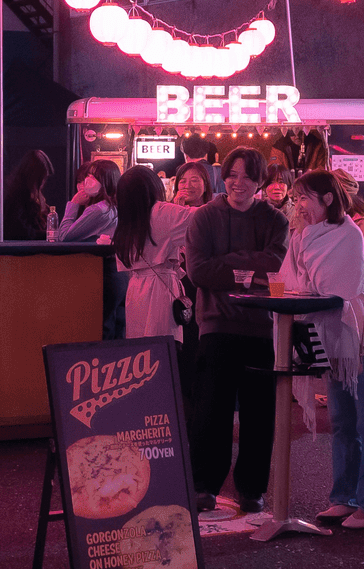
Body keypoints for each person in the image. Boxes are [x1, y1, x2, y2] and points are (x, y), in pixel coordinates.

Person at [278, 171, 364, 530]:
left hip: (362, 339)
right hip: (332, 337)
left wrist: (305, 288)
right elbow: (288, 281)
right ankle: (344, 497)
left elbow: (336, 287)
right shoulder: (301, 236)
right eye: (296, 199)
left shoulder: (349, 235)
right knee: (343, 421)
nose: (298, 206)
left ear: (327, 199)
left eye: (304, 198)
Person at [184, 146, 289, 512]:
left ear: (259, 181)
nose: (238, 182)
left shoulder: (275, 221)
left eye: (246, 176)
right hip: (216, 324)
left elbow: (276, 266)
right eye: (232, 174)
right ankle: (203, 484)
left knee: (259, 414)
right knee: (211, 409)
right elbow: (198, 272)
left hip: (262, 326)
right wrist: (249, 271)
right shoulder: (204, 218)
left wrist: (227, 264)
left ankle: (251, 489)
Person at [115, 165, 195, 341]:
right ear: (153, 186)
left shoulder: (126, 219)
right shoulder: (161, 211)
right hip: (160, 287)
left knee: (140, 350)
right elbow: (201, 220)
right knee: (163, 346)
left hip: (135, 288)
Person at [56, 159, 120, 244]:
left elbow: (63, 236)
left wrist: (74, 203)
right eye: (88, 176)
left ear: (105, 182)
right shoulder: (111, 206)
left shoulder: (97, 209)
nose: (86, 181)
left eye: (93, 177)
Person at [6, 149, 55, 241]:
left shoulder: (35, 197)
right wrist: (50, 234)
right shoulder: (17, 199)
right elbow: (21, 232)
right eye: (42, 178)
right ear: (34, 177)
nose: (44, 183)